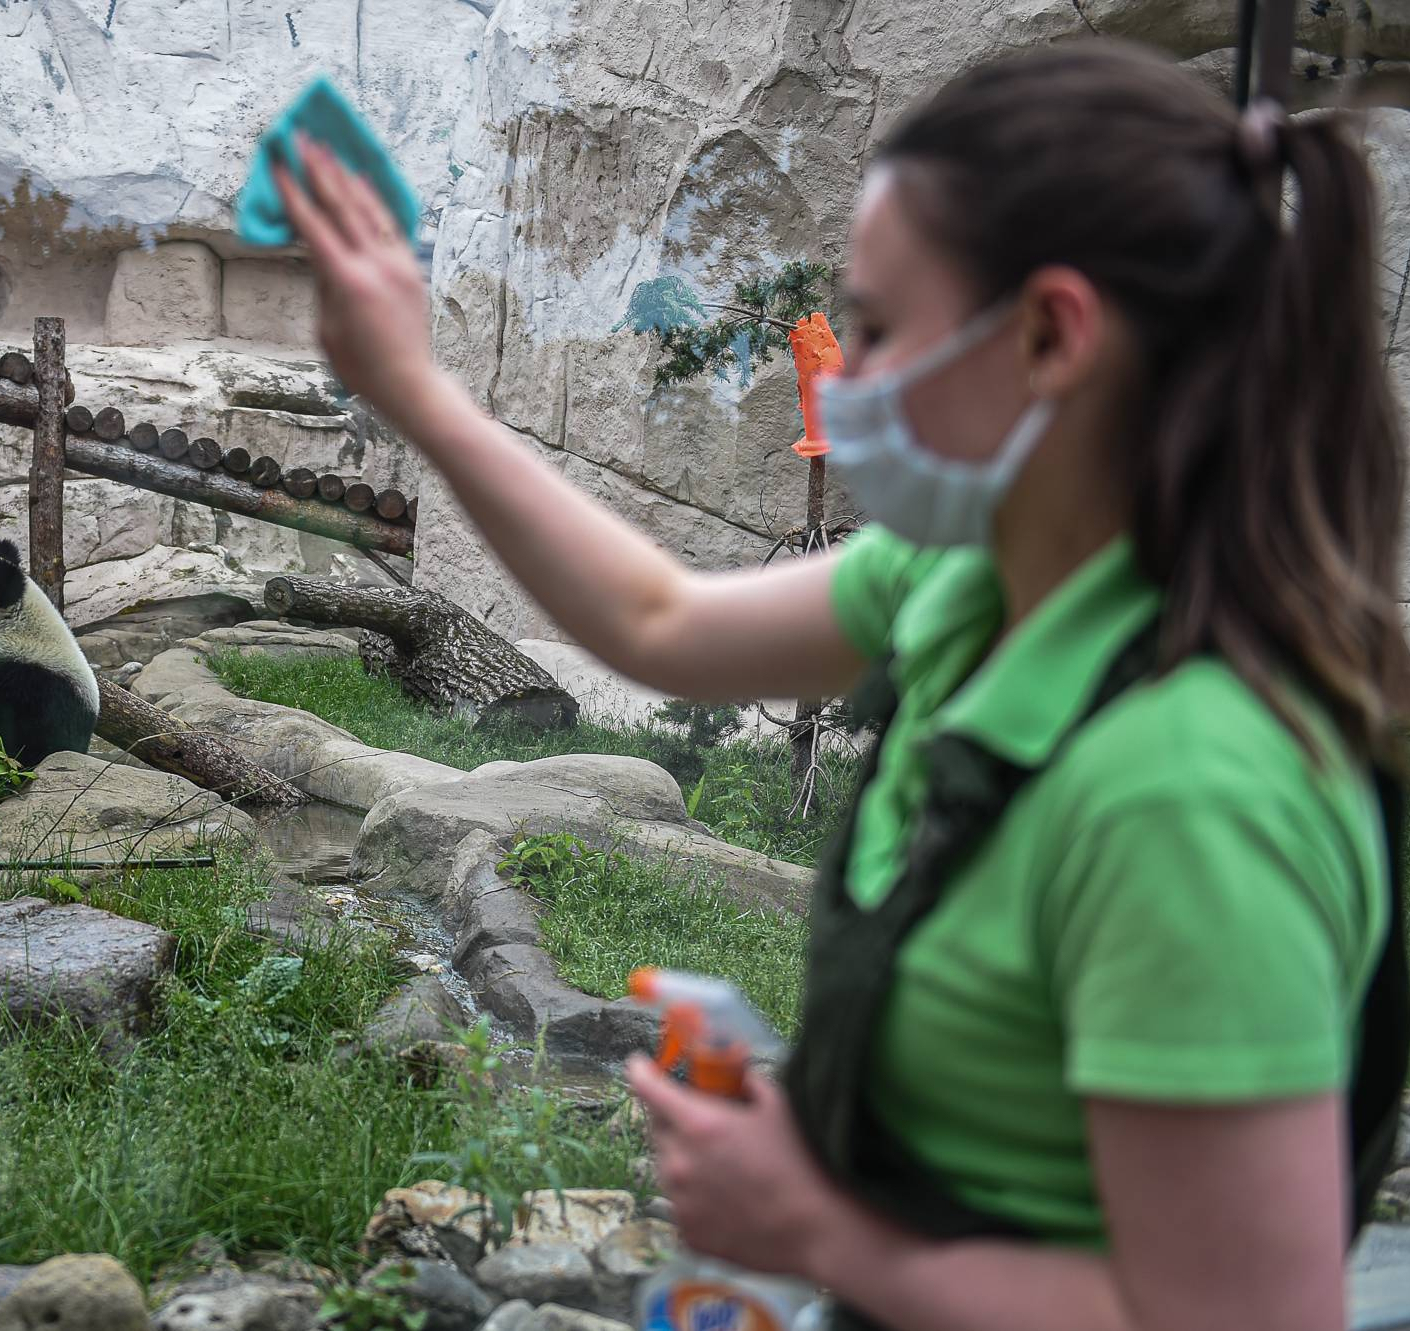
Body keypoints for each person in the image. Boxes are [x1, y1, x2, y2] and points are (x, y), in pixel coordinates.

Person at [273, 37, 1410, 1331]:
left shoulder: (1191, 796)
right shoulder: (970, 579)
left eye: (871, 328)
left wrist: (817, 1226)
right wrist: (418, 393)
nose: (839, 378)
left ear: (1050, 335)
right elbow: (658, 620)